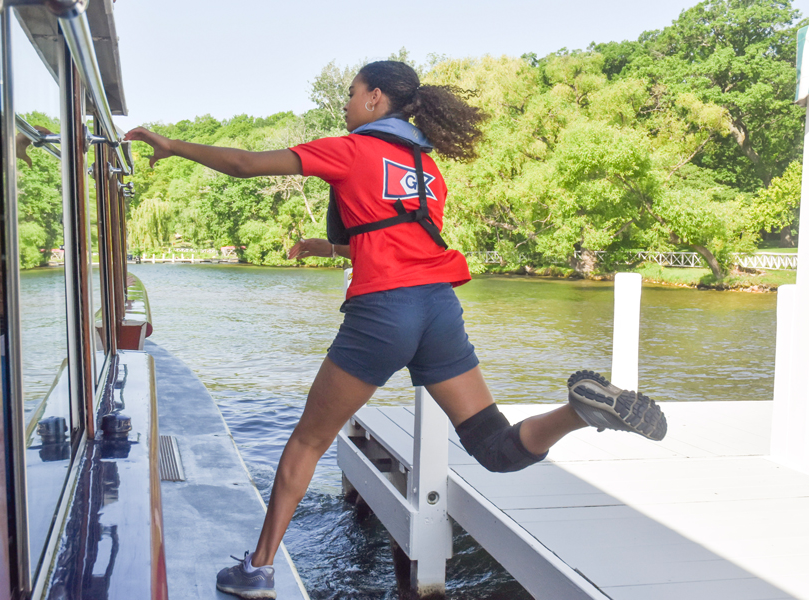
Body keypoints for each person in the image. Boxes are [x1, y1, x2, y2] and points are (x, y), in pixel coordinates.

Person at [125, 60, 667, 600]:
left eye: (352, 93)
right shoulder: (427, 170)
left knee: (308, 440)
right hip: (438, 309)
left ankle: (258, 569)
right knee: (492, 447)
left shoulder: (351, 147)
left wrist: (173, 145)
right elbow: (396, 232)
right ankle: (578, 411)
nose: (346, 103)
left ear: (375, 98)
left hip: (384, 309)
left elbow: (244, 163)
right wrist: (328, 247)